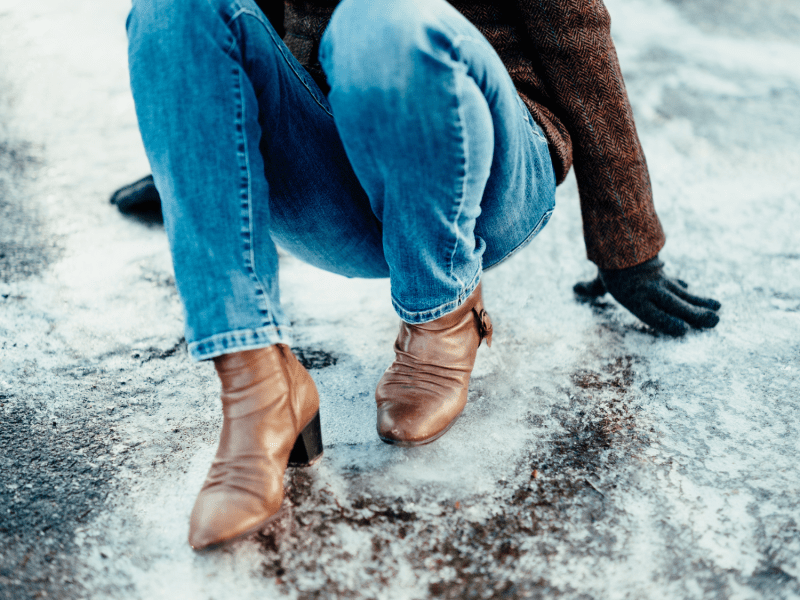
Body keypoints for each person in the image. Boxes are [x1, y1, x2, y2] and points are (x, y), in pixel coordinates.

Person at [125, 0, 720, 550]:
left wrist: (628, 244)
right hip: (334, 178)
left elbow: (575, 30)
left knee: (383, 15)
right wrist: (197, 160)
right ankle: (258, 385)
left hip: (486, 167)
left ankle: (442, 317)